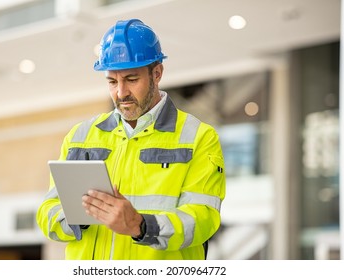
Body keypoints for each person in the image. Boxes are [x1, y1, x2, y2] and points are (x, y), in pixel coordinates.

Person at [36, 18, 226, 260]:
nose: (121, 92)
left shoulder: (198, 137)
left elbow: (203, 218)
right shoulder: (79, 137)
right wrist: (80, 216)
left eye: (131, 79)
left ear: (157, 74)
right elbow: (47, 214)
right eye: (112, 81)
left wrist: (141, 225)